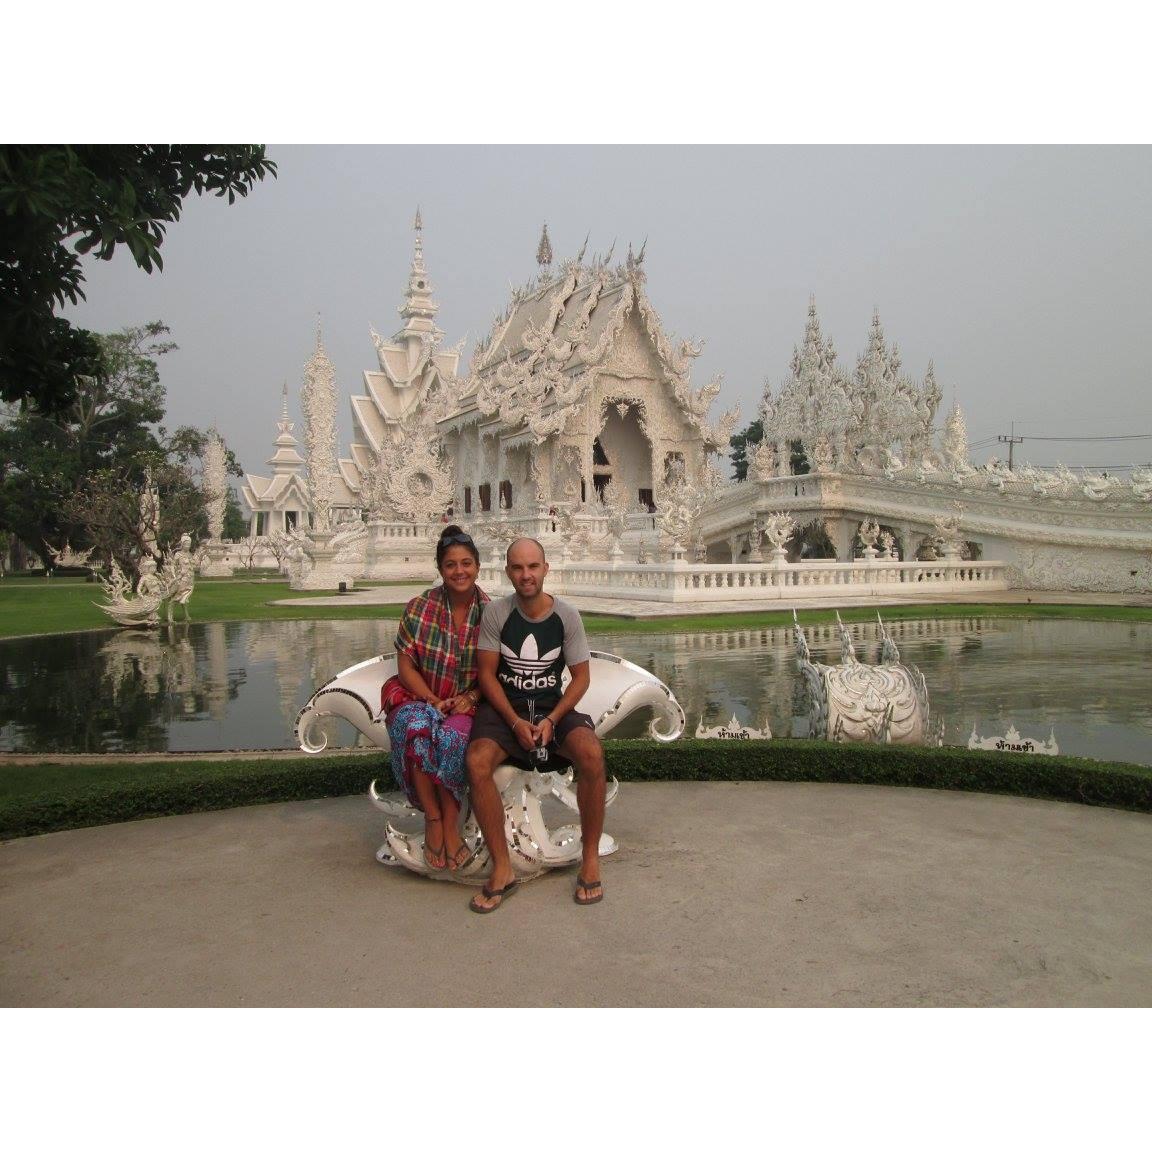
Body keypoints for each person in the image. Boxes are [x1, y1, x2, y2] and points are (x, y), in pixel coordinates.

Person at [466, 537, 607, 913]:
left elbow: (580, 678)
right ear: (508, 572)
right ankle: (502, 868)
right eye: (517, 567)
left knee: (591, 753)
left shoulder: (566, 616)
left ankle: (590, 857)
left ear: (545, 569)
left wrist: (553, 719)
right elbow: (487, 676)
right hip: (506, 711)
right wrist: (513, 722)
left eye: (532, 567)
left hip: (550, 708)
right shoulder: (496, 614)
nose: (525, 575)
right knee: (477, 761)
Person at [384, 525, 488, 872]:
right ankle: (434, 818)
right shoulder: (419, 608)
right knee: (417, 727)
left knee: (451, 737)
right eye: (451, 565)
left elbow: (495, 670)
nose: (459, 571)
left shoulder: (492, 613)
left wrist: (470, 697)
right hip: (420, 695)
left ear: (477, 566)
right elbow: (405, 665)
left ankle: (449, 820)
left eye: (466, 563)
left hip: (468, 703)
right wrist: (429, 698)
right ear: (440, 569)